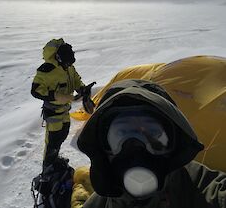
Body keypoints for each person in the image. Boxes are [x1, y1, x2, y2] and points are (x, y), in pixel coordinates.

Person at [76, 79, 226, 208]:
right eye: (121, 134)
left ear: (174, 143)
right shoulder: (98, 204)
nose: (136, 147)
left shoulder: (203, 188)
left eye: (152, 134)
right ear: (102, 147)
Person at [31, 38, 86, 169]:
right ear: (59, 59)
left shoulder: (69, 67)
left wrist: (82, 89)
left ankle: (55, 158)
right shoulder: (46, 71)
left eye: (70, 64)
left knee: (63, 134)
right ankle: (48, 167)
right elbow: (35, 90)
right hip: (53, 112)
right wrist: (55, 96)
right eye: (67, 64)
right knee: (52, 141)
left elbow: (76, 80)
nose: (69, 66)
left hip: (65, 110)